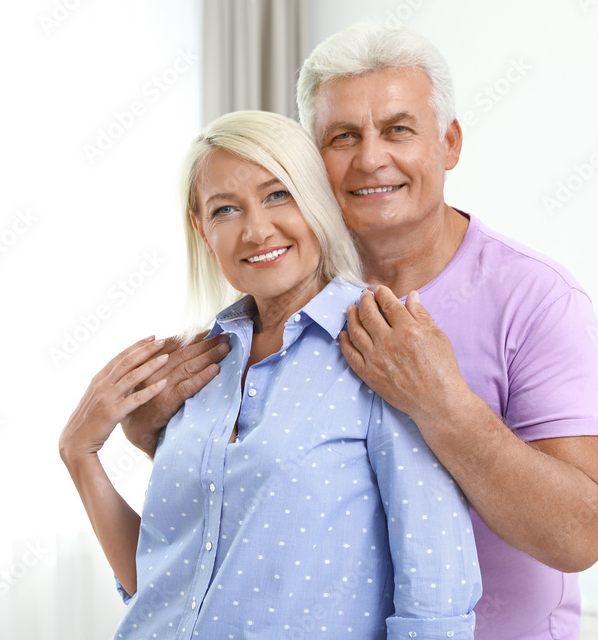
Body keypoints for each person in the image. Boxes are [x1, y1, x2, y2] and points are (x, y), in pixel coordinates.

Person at [121, 25, 598, 639]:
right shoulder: (278, 292)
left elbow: (581, 537)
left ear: (449, 143)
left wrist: (441, 404)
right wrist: (157, 437)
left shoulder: (536, 299)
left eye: (398, 129)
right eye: (343, 137)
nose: (371, 159)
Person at [59, 110, 481, 638]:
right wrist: (80, 455)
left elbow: (437, 596)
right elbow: (160, 585)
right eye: (225, 209)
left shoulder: (385, 346)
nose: (257, 230)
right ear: (201, 229)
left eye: (278, 195)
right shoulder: (198, 366)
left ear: (317, 200)